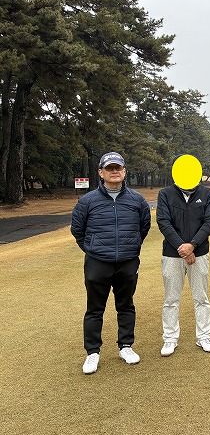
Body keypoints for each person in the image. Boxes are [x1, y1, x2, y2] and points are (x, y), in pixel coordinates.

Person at [71, 151, 151, 374]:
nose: (114, 172)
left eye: (118, 168)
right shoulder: (87, 201)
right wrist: (92, 249)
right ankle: (92, 352)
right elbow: (77, 230)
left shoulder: (137, 200)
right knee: (95, 309)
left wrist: (131, 247)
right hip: (97, 262)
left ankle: (126, 346)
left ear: (124, 171)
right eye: (109, 168)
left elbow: (143, 227)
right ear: (101, 172)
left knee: (125, 305)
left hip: (127, 262)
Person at [156, 158, 210, 357]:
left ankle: (204, 336)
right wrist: (182, 247)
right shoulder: (165, 194)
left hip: (199, 253)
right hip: (172, 254)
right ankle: (170, 338)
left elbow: (209, 221)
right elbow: (163, 222)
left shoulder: (207, 193)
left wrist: (192, 246)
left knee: (201, 298)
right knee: (171, 299)